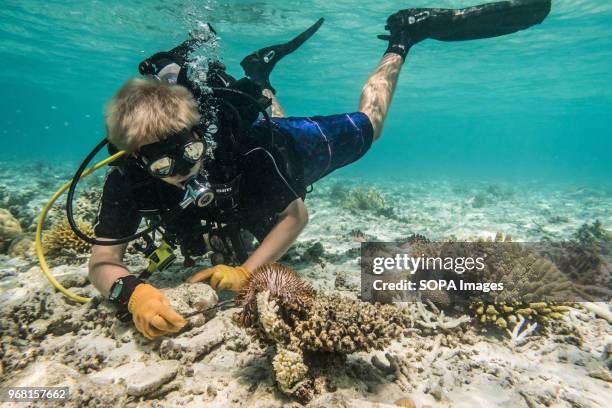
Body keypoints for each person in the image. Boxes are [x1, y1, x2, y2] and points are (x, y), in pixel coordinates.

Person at [88, 0, 552, 340]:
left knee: (370, 125)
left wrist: (248, 271)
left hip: (288, 150)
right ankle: (261, 75)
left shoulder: (247, 148)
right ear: (135, 159)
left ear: (201, 136)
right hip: (251, 168)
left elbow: (295, 217)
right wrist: (133, 295)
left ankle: (404, 36)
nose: (182, 173)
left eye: (189, 155)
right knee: (264, 137)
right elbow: (103, 263)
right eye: (163, 166)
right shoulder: (127, 178)